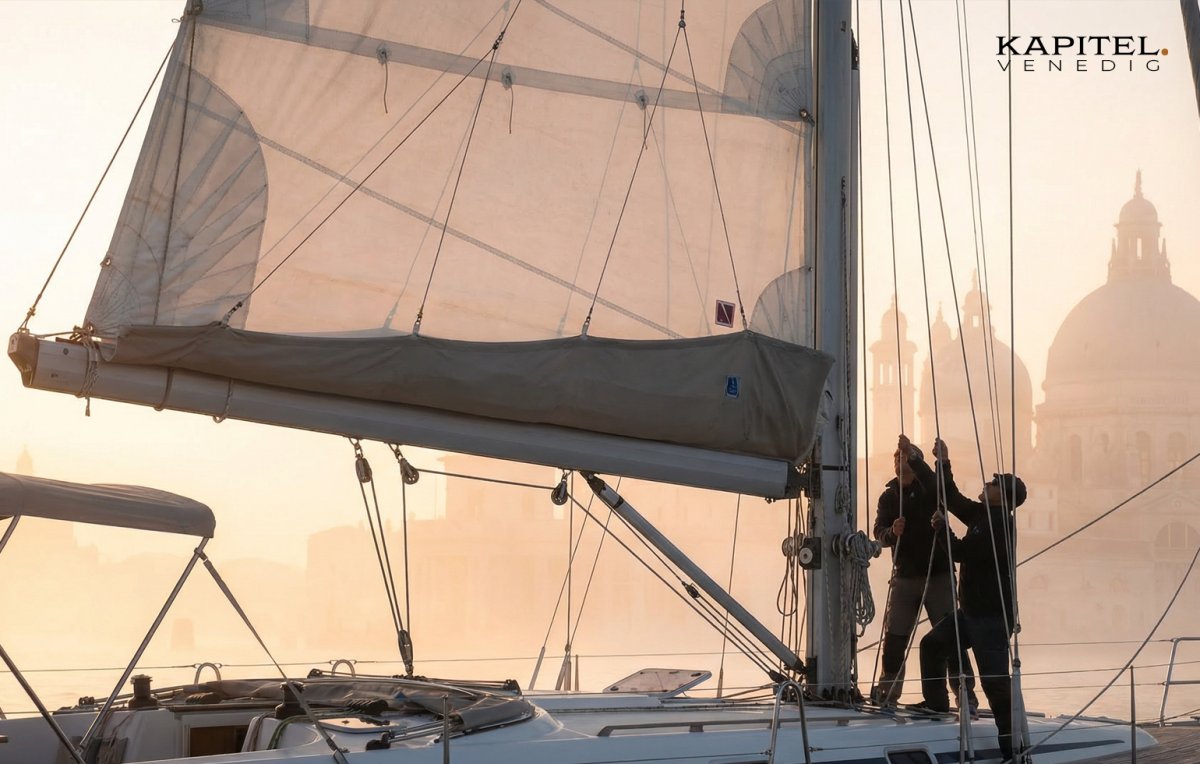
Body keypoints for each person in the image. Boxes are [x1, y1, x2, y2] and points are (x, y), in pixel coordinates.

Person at [919, 438, 1027, 761]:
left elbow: (962, 552)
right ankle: (937, 707)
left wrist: (941, 529)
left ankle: (1012, 751)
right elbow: (951, 498)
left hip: (990, 620)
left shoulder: (1000, 526)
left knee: (995, 687)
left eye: (994, 483)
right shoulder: (982, 514)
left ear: (1003, 497)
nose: (988, 482)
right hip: (971, 614)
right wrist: (942, 462)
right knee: (932, 645)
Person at [871, 434, 976, 709]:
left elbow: (944, 488)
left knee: (951, 638)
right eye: (896, 457)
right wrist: (891, 533)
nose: (899, 459)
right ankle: (888, 694)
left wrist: (943, 461)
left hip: (937, 575)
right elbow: (878, 533)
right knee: (894, 639)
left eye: (904, 456)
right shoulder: (889, 496)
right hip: (904, 577)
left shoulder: (930, 489)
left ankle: (965, 694)